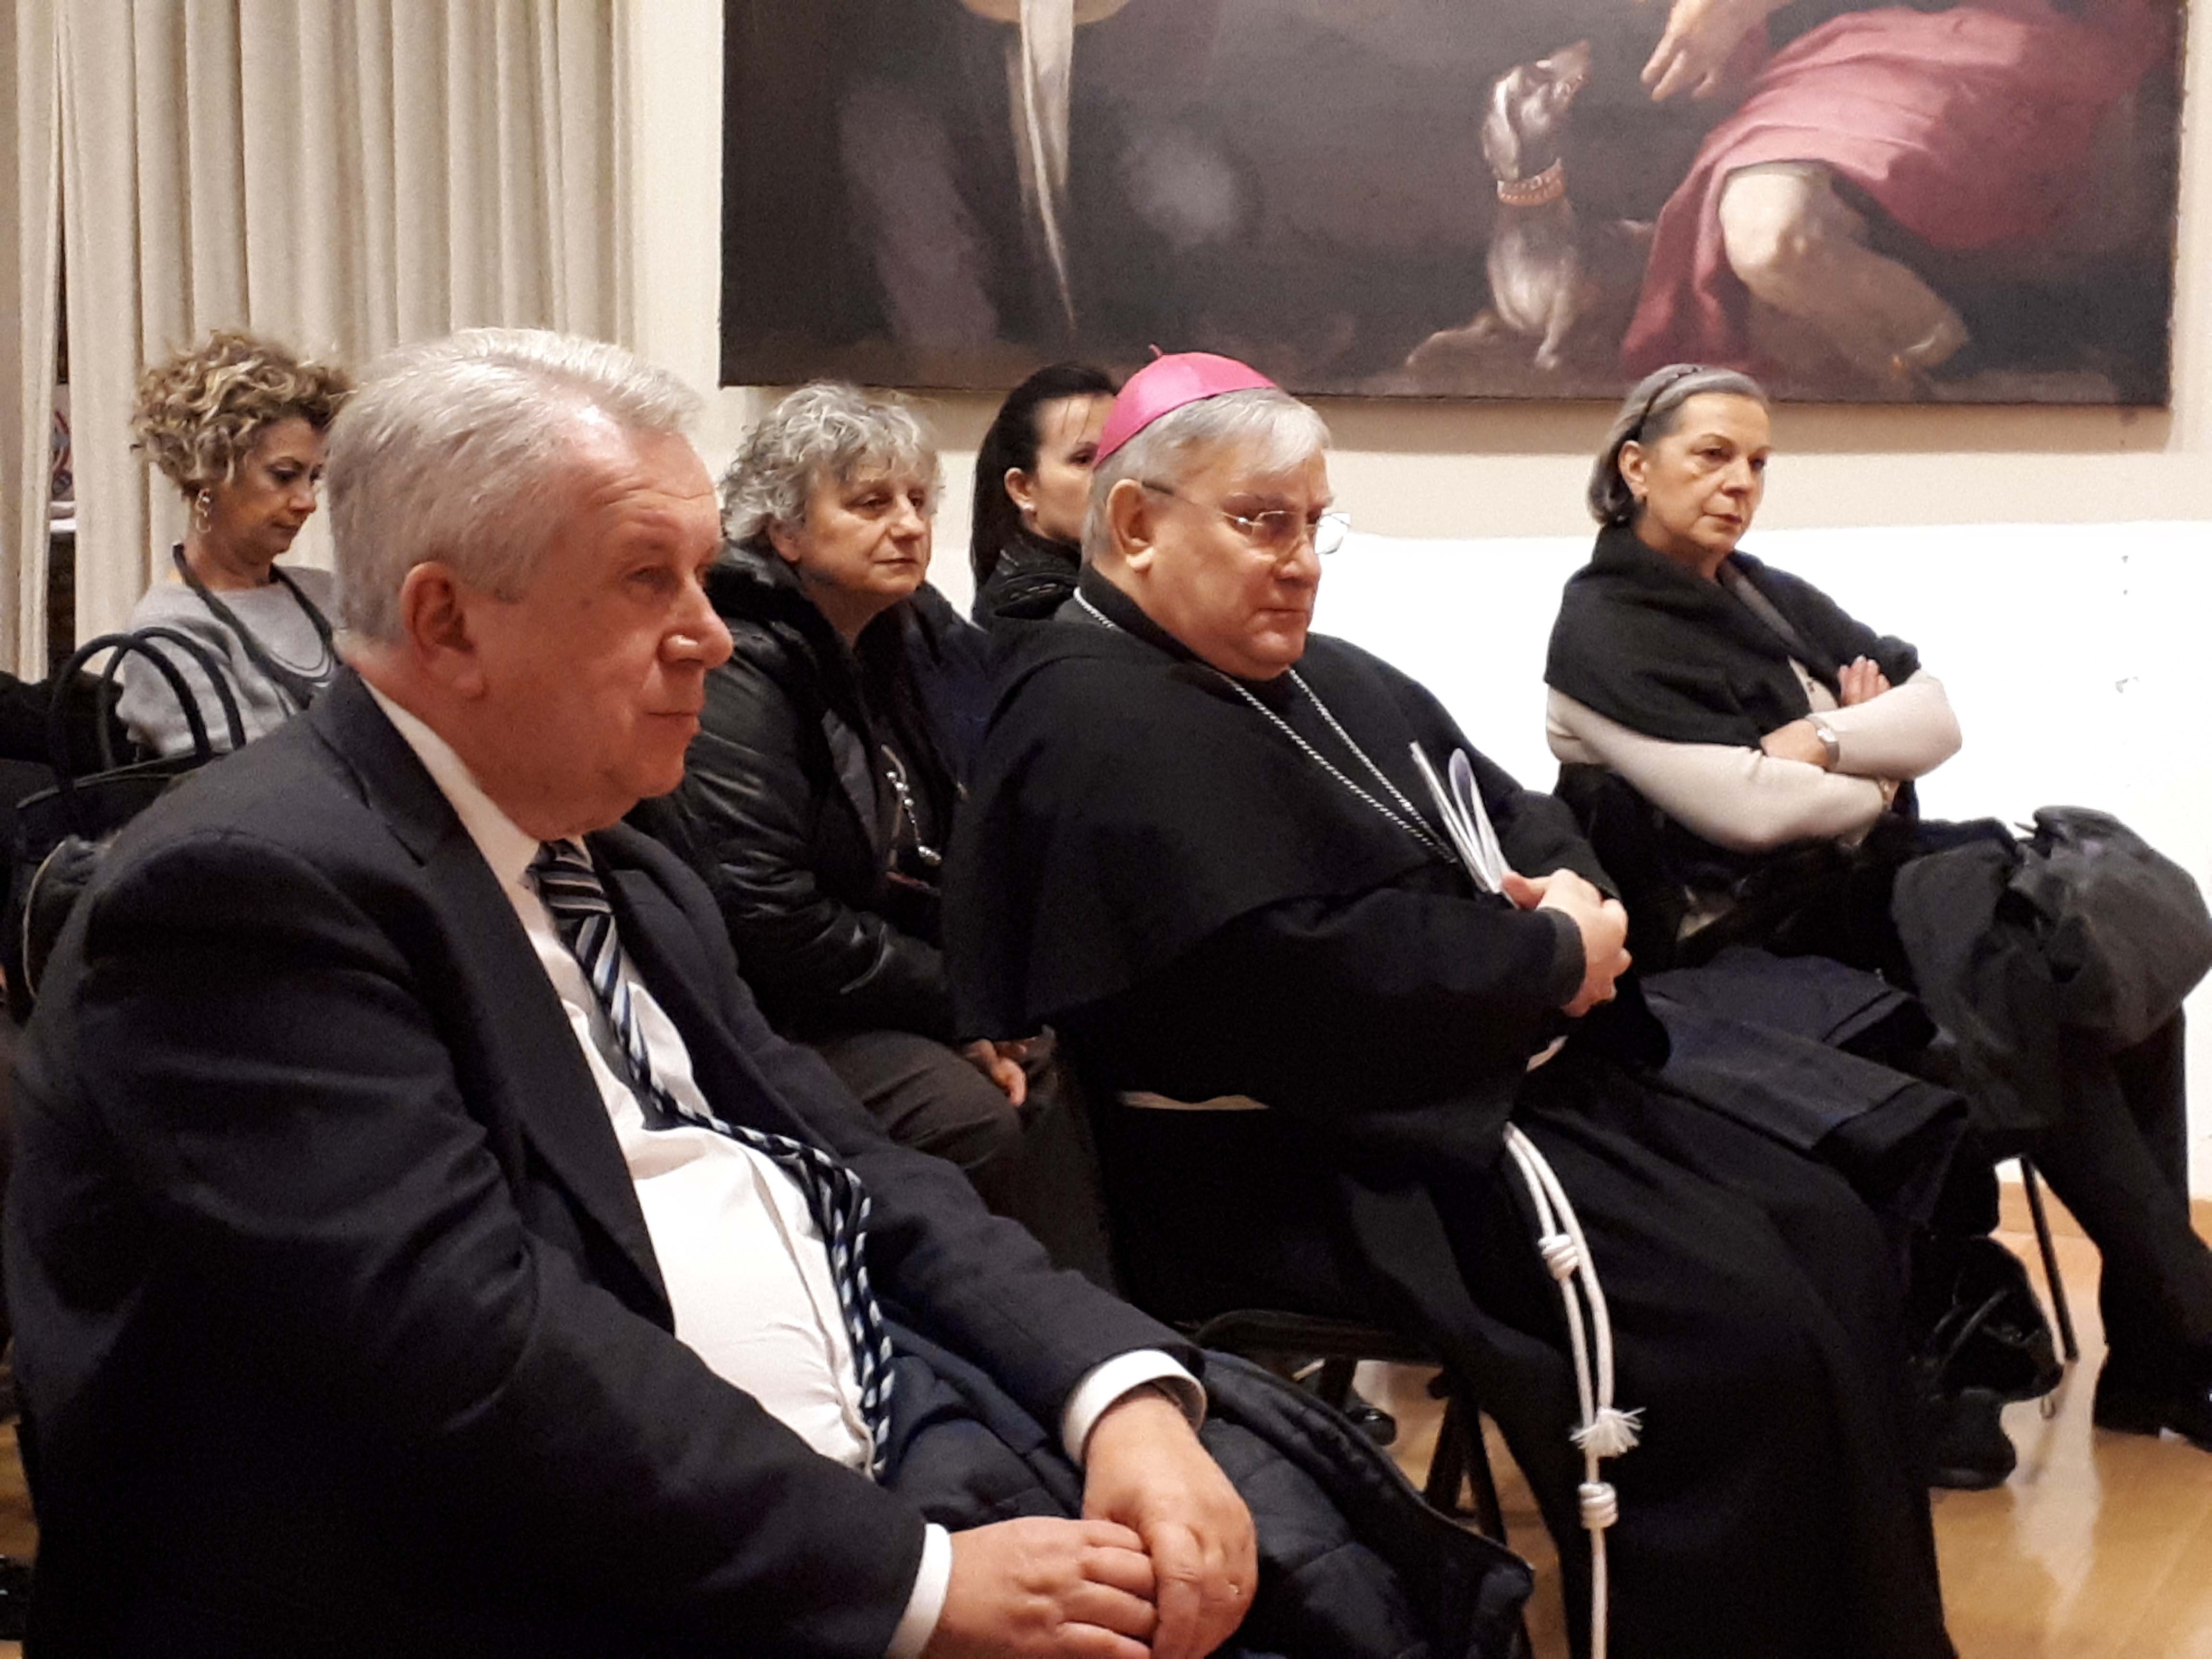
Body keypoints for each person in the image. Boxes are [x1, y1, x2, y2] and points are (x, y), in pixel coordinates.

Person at [5, 329, 1515, 1658]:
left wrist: (1112, 1384)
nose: (713, 633)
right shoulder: (247, 895)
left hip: (862, 1449)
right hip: (516, 1577)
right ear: (450, 621)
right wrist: (922, 1584)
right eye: (646, 581)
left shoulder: (610, 856)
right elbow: (475, 1355)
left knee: (1321, 1564)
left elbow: (853, 1162)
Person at [947, 351, 1956, 1659]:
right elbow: (1288, 980)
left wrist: (1577, 901)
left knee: (1831, 1224)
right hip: (1300, 1159)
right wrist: (1548, 961)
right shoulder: (1087, 715)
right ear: (1136, 525)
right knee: (1739, 1333)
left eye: (1314, 525)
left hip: (1455, 1087)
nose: (1301, 563)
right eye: (1263, 522)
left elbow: (1511, 803)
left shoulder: (1321, 671)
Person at [1545, 362, 2212, 1455]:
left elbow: (1934, 715)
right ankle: (2184, 1335)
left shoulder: (1758, 591)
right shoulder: (1602, 623)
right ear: (1636, 465)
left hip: (1838, 917)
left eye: (1756, 460)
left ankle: (2156, 1353)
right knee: (2020, 1016)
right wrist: (1867, 761)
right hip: (1714, 968)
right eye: (1710, 454)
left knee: (2109, 990)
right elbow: (1746, 811)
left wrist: (1819, 743)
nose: (1738, 481)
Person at [639, 384, 1026, 1210]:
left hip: (865, 979)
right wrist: (959, 1001)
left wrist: (987, 998)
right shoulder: (737, 657)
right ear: (783, 530)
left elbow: (961, 825)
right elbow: (766, 915)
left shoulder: (905, 634)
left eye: (918, 501)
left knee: (1054, 1045)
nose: (910, 526)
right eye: (871, 503)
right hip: (767, 1009)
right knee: (969, 1113)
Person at [118, 330, 352, 754]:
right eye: (284, 476)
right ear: (209, 472)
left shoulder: (327, 594)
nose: (308, 502)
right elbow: (239, 786)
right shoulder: (171, 630)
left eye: (313, 478)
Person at [970, 363, 1118, 634]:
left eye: (1118, 452)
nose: (1113, 473)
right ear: (1023, 489)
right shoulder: (1029, 609)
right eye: (1083, 459)